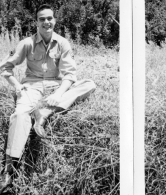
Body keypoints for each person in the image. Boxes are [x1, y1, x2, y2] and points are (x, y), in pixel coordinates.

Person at [0, 4, 96, 191]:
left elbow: (69, 75)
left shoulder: (62, 43)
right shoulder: (26, 43)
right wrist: (18, 86)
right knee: (20, 115)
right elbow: (5, 67)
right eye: (42, 19)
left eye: (49, 18)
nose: (46, 22)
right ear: (36, 22)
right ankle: (8, 172)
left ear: (54, 20)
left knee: (89, 84)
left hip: (55, 86)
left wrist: (58, 94)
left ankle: (43, 112)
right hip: (32, 87)